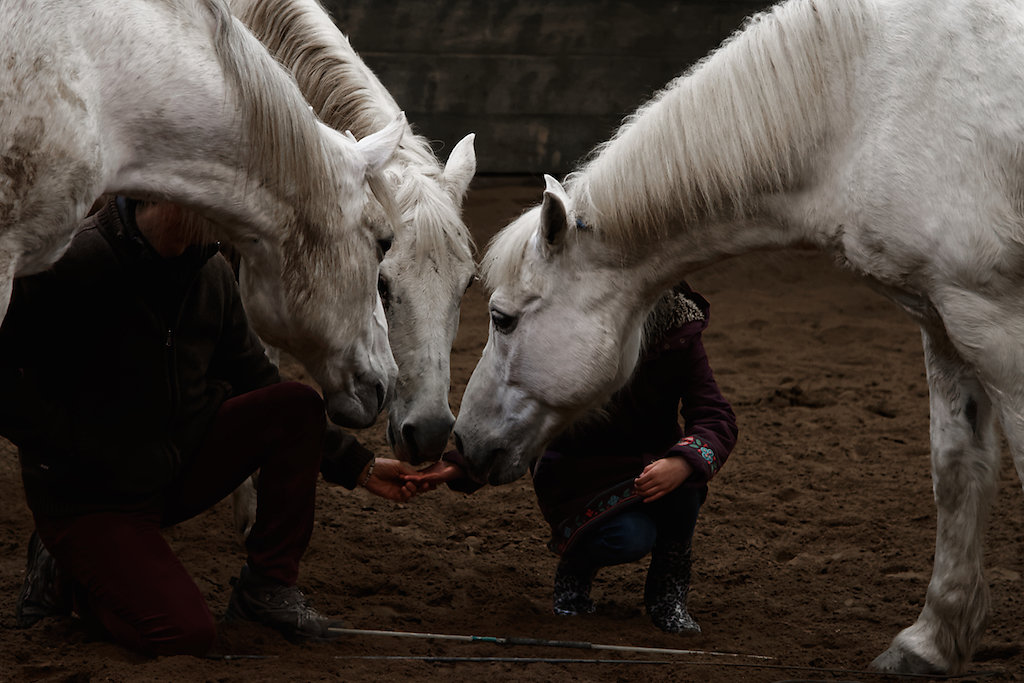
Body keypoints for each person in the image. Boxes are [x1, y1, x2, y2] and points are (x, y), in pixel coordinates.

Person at [3, 196, 419, 656]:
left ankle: (267, 589)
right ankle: (76, 580)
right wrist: (74, 449)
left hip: (171, 469)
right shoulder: (70, 262)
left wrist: (358, 466)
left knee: (294, 406)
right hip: (90, 498)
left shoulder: (211, 271)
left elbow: (255, 379)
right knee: (186, 634)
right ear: (174, 190)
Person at [407, 282, 738, 634]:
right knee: (629, 538)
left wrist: (683, 461)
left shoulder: (677, 326)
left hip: (654, 468)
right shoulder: (569, 327)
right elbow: (524, 406)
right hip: (579, 474)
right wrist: (463, 463)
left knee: (687, 486)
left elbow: (715, 414)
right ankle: (576, 567)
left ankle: (667, 596)